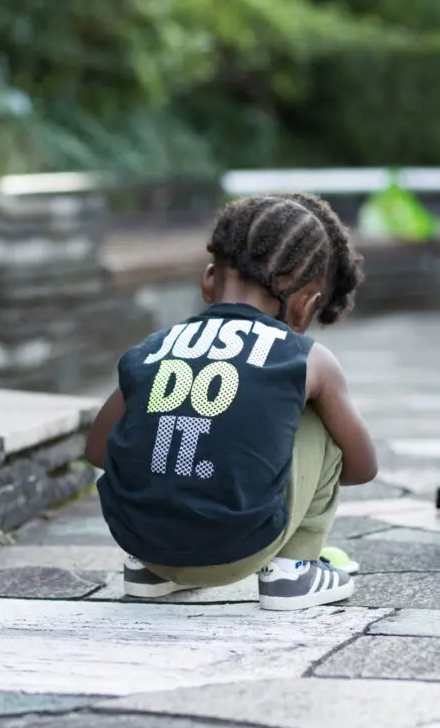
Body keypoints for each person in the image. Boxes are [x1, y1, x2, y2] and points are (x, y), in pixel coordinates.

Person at [86, 193, 378, 611]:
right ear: (305, 304)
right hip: (241, 548)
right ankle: (293, 570)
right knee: (318, 413)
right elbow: (363, 467)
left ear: (208, 280)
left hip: (143, 541)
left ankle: (147, 571)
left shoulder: (152, 348)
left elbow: (97, 449)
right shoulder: (306, 358)